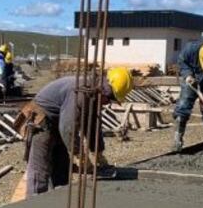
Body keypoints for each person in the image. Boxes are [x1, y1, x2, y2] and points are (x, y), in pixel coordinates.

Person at [15, 67, 132, 196]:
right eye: (110, 99)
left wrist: (98, 153)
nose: (107, 103)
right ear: (105, 91)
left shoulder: (93, 93)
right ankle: (35, 202)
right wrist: (80, 155)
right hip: (41, 121)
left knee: (62, 166)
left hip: (58, 121)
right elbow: (68, 127)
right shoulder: (81, 93)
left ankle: (58, 198)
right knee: (40, 170)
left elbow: (92, 125)